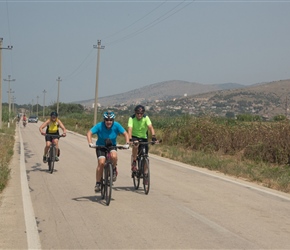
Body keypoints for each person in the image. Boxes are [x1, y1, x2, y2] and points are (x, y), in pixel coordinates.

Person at [87, 111, 130, 193]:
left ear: (113, 120)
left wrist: (127, 143)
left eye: (110, 120)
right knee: (101, 162)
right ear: (104, 120)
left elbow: (125, 133)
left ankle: (113, 169)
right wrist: (90, 143)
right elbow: (89, 133)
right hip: (101, 146)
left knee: (114, 156)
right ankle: (98, 183)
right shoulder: (99, 125)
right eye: (107, 120)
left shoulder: (117, 125)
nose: (108, 122)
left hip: (112, 146)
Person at [128, 105, 158, 172]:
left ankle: (145, 174)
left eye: (141, 113)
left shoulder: (146, 117)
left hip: (144, 137)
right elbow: (130, 129)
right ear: (135, 113)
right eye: (138, 113)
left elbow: (150, 127)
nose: (139, 115)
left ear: (143, 113)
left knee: (146, 156)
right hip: (135, 136)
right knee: (136, 145)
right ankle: (134, 161)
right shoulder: (131, 118)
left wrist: (153, 137)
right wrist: (130, 139)